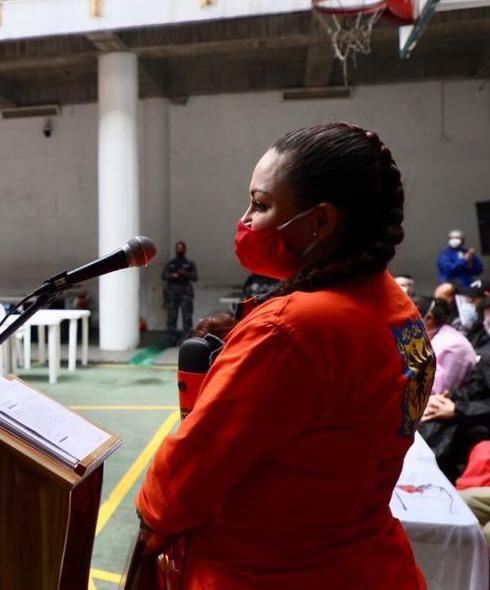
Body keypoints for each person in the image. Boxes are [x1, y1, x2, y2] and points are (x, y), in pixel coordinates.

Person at [134, 123, 430, 588]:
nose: (246, 220)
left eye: (261, 204)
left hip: (268, 571)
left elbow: (177, 490)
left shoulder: (288, 331)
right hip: (374, 564)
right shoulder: (400, 308)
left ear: (321, 221)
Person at [420, 352, 490, 482]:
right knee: (432, 418)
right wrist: (447, 399)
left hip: (481, 421)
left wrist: (458, 410)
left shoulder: (454, 345)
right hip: (470, 413)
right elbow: (474, 388)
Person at [415, 295, 476, 396]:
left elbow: (439, 392)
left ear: (429, 318)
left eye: (410, 318)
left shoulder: (452, 345)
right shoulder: (430, 338)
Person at [162, 241, 197, 345]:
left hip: (185, 292)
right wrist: (172, 276)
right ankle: (171, 339)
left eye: (181, 248)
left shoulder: (189, 263)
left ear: (185, 249)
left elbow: (195, 277)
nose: (180, 250)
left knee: (187, 317)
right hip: (172, 292)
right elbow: (163, 275)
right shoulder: (171, 263)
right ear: (175, 249)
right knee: (172, 317)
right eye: (178, 248)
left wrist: (186, 274)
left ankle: (187, 339)